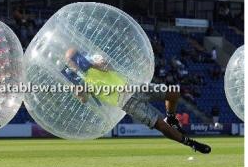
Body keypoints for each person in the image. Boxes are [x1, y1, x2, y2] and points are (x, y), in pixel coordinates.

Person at [64, 48, 211, 154]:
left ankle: (171, 118)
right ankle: (190, 143)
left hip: (134, 87)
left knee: (173, 93)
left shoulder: (93, 60)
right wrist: (80, 93)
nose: (76, 61)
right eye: (72, 60)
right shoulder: (77, 81)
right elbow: (84, 99)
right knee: (160, 124)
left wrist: (96, 64)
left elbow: (109, 67)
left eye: (75, 56)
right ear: (71, 64)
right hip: (126, 102)